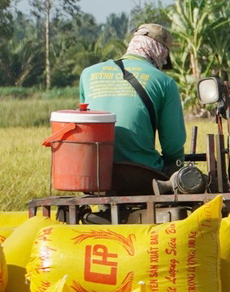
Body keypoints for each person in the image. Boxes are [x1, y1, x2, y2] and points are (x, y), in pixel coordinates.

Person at [78, 23, 188, 196]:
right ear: (160, 52)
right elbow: (172, 146)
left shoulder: (88, 74)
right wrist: (177, 167)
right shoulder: (165, 82)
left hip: (94, 174)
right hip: (143, 173)